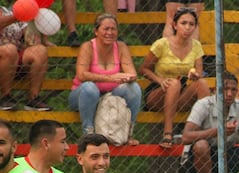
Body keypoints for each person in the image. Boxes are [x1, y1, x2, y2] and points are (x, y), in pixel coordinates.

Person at [139, 6, 210, 148]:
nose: (187, 27)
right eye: (183, 23)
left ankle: (204, 131)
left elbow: (199, 72)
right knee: (174, 84)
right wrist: (160, 80)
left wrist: (195, 75)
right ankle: (168, 134)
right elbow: (143, 69)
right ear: (175, 25)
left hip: (181, 93)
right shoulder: (162, 44)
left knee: (201, 83)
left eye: (191, 24)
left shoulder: (196, 45)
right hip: (159, 90)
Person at [69, 14, 142, 144]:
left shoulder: (121, 47)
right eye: (106, 29)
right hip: (84, 95)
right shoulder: (88, 47)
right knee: (89, 87)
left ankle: (129, 132)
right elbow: (81, 75)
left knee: (133, 88)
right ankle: (88, 133)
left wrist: (127, 78)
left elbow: (132, 73)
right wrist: (110, 77)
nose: (110, 32)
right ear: (96, 31)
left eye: (113, 29)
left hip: (110, 94)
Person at [181, 71, 239, 173]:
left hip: (228, 153)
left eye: (233, 90)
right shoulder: (203, 105)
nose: (229, 93)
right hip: (201, 157)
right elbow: (186, 137)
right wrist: (218, 131)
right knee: (201, 145)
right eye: (225, 89)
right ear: (216, 90)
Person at [0, 6, 51, 111]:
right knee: (9, 50)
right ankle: (6, 97)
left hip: (16, 57)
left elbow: (27, 32)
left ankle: (33, 98)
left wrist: (32, 38)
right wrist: (17, 16)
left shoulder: (8, 11)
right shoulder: (15, 15)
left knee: (40, 50)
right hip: (5, 54)